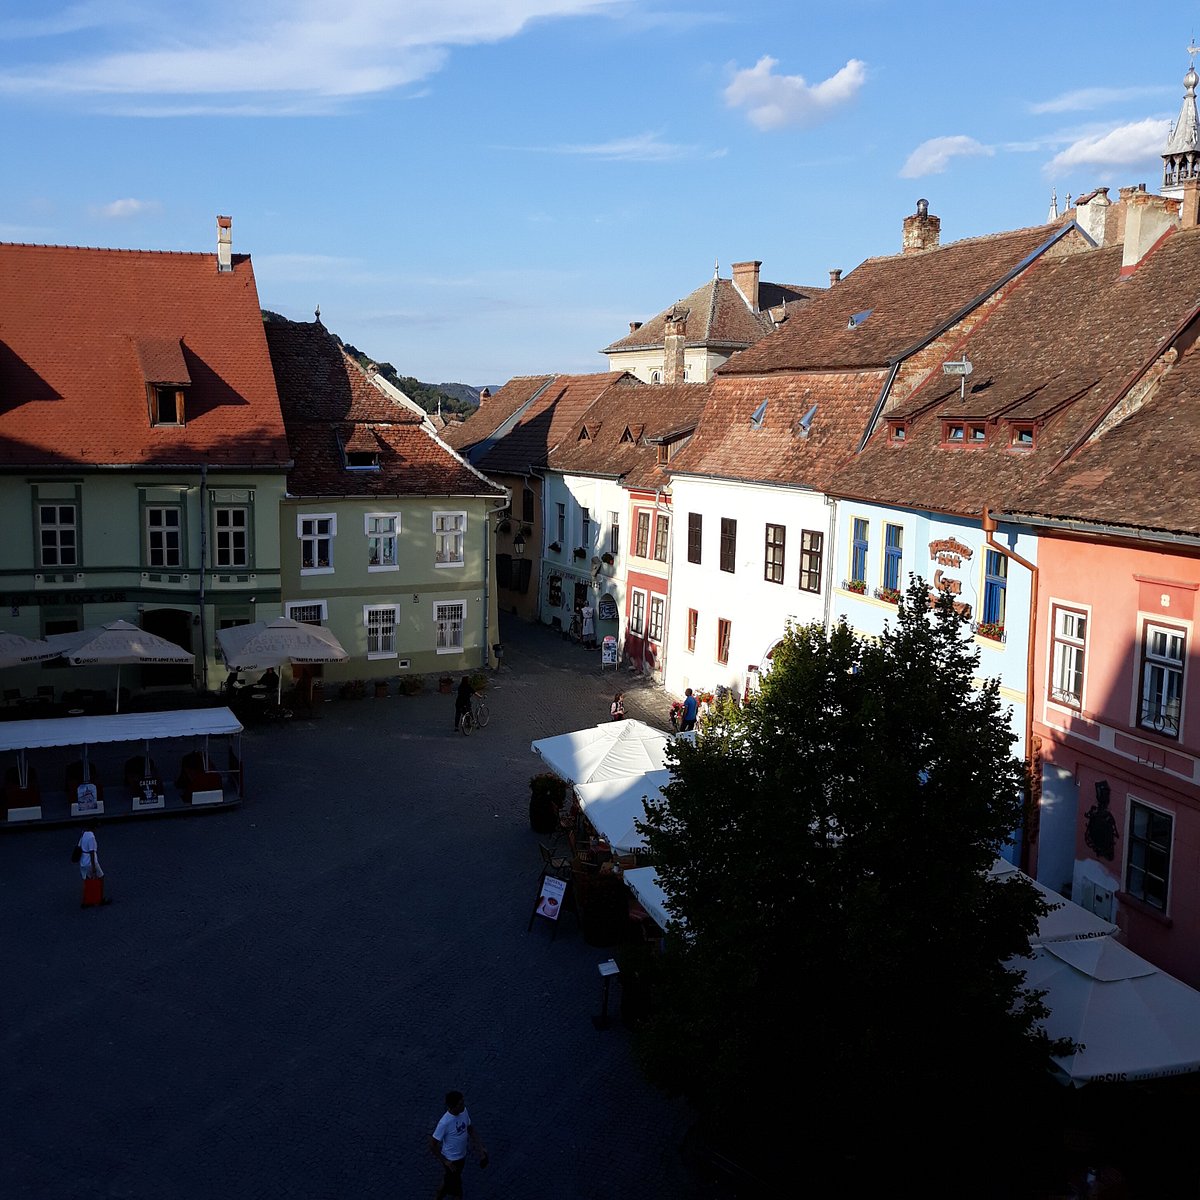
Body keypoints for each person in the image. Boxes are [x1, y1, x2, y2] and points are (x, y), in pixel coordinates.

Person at [429, 1090, 487, 1199]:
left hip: (461, 1157)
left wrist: (480, 1148)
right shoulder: (444, 1123)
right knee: (457, 1192)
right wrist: (446, 1162)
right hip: (452, 1161)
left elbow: (470, 1128)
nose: (463, 1106)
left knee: (447, 1181)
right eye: (460, 1104)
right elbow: (432, 1144)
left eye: (463, 1102)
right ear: (452, 1106)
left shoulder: (463, 1111)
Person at [77, 829, 111, 908]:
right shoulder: (91, 837)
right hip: (91, 862)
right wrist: (94, 867)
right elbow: (92, 852)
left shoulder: (84, 834)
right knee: (101, 877)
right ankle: (100, 899)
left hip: (83, 861)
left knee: (87, 880)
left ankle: (86, 901)